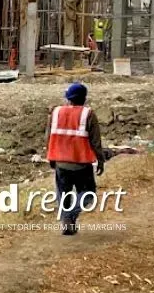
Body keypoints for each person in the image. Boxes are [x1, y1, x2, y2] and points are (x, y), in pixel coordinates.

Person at [46, 83, 108, 235]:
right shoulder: (88, 114)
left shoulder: (56, 112)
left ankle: (67, 223)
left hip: (61, 163)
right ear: (84, 98)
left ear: (68, 98)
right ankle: (70, 215)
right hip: (81, 163)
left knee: (63, 194)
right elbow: (95, 142)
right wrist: (100, 160)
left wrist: (51, 158)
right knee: (88, 193)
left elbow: (49, 137)